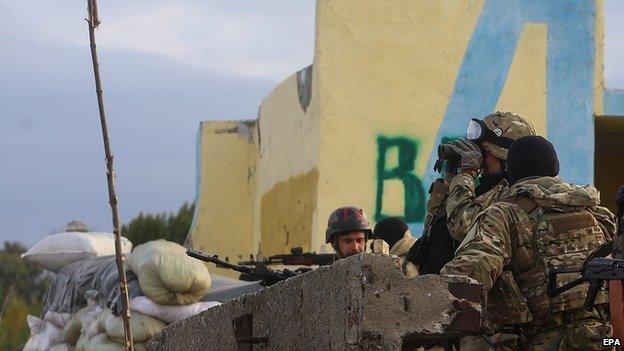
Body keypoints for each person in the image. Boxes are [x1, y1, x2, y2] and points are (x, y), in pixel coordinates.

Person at [440, 135, 616, 350]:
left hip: (538, 339)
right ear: (555, 167)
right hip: (601, 338)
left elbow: (474, 268)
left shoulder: (503, 214)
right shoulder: (597, 213)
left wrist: (431, 299)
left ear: (512, 170)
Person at [408, 111, 536, 274]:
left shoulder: (511, 196)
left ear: (503, 155)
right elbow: (435, 229)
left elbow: (464, 229)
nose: (479, 159)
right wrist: (449, 182)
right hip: (438, 287)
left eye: (484, 152)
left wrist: (467, 173)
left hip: (469, 291)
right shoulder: (480, 188)